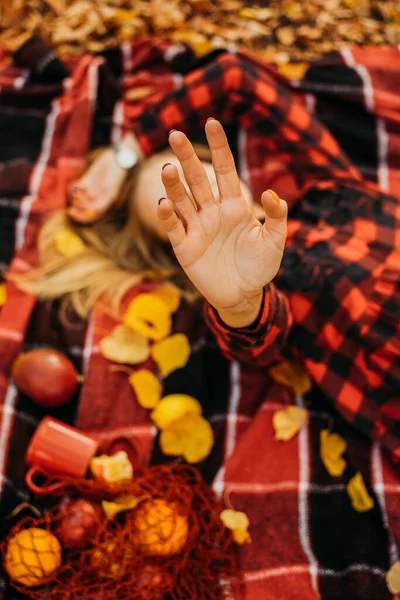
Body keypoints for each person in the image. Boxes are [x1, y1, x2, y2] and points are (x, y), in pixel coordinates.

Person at [2, 45, 400, 599]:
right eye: (178, 204)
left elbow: (237, 76)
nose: (206, 193)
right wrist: (239, 299)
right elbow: (255, 335)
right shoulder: (274, 291)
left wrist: (120, 156)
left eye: (199, 176)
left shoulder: (334, 189)